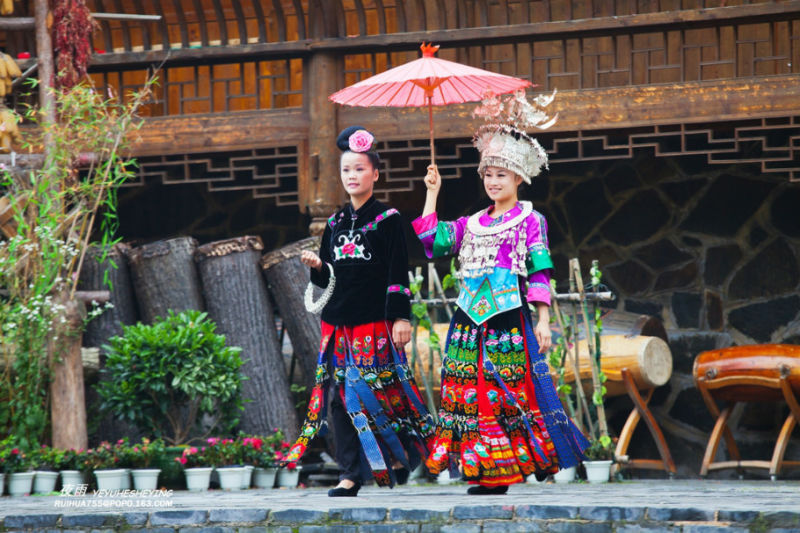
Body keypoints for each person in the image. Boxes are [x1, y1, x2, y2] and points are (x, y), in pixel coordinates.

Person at [412, 91, 588, 494]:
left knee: (503, 394)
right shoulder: (471, 223)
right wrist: (432, 192)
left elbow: (542, 270)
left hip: (506, 319)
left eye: (501, 175)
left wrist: (543, 319)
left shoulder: (530, 220)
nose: (493, 182)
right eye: (488, 174)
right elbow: (431, 238)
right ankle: (483, 473)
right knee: (466, 393)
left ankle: (503, 473)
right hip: (467, 322)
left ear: (519, 179)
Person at [283, 126, 434, 497]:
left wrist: (400, 317)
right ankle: (349, 474)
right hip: (339, 325)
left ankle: (401, 457)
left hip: (376, 323)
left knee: (383, 392)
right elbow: (328, 280)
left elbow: (398, 272)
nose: (352, 176)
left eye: (359, 169)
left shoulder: (389, 219)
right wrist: (316, 266)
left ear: (375, 174)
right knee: (340, 398)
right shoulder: (334, 224)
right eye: (346, 170)